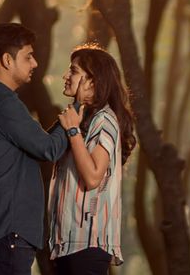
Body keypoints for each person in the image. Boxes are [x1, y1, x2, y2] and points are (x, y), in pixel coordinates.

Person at [0, 22, 68, 274]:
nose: (34, 64)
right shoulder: (2, 104)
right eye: (28, 57)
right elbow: (49, 149)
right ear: (7, 60)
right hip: (5, 234)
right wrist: (73, 118)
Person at [49, 44, 137, 273]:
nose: (66, 76)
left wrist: (72, 132)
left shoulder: (104, 120)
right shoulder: (84, 119)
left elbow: (93, 176)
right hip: (69, 245)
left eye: (74, 71)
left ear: (93, 81)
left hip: (87, 245)